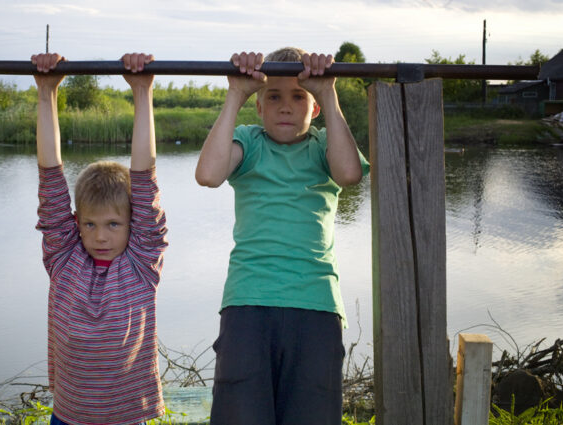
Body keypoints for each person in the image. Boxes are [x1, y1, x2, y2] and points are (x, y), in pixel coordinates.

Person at [195, 47, 370, 425]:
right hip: (249, 304)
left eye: (298, 97)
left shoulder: (324, 147)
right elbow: (208, 175)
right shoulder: (250, 142)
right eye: (273, 97)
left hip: (316, 305)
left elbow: (349, 174)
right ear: (259, 107)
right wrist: (235, 93)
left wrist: (328, 91)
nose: (286, 107)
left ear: (315, 108)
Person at [32, 52, 167, 425]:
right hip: (70, 415)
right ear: (75, 222)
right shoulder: (64, 259)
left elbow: (144, 177)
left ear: (132, 223)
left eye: (112, 224)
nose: (100, 236)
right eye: (89, 224)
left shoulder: (141, 263)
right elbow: (50, 179)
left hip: (127, 416)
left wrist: (142, 91)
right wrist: (47, 94)